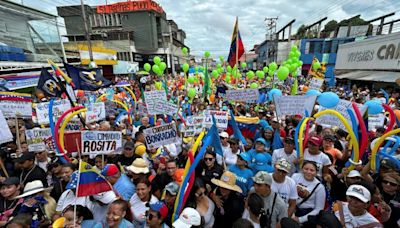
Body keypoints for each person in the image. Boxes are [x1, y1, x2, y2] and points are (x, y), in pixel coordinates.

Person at [291, 161, 326, 225]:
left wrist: (300, 219)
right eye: (306, 169)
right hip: (292, 209)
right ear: (302, 169)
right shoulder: (295, 176)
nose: (308, 172)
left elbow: (319, 209)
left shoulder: (320, 187)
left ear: (316, 173)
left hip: (308, 215)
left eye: (312, 170)